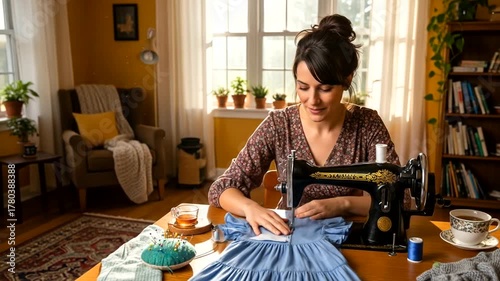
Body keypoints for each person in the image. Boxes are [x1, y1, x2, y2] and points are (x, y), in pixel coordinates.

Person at [208, 14, 400, 237]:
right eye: (303, 87)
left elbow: (397, 195)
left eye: (325, 89)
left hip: (348, 237)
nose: (312, 100)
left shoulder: (367, 125)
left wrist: (343, 204)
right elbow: (222, 188)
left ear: (348, 79)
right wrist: (251, 208)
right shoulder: (279, 125)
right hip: (288, 236)